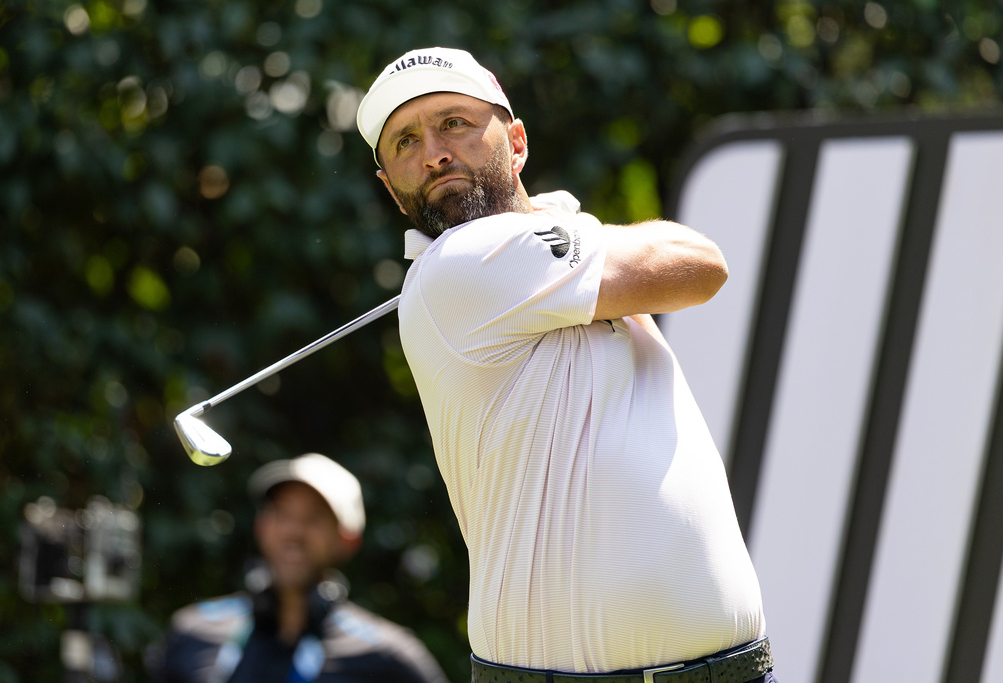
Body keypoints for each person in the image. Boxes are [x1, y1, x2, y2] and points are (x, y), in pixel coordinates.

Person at [355, 47, 778, 683]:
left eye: (455, 123)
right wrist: (570, 226)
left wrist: (562, 231)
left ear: (516, 140)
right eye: (405, 142)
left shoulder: (539, 261)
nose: (435, 152)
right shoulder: (457, 266)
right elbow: (698, 262)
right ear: (391, 188)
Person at [153, 453, 449, 683]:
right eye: (281, 514)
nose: (293, 532)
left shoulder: (388, 655)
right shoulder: (193, 631)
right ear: (261, 526)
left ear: (347, 539)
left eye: (313, 518)